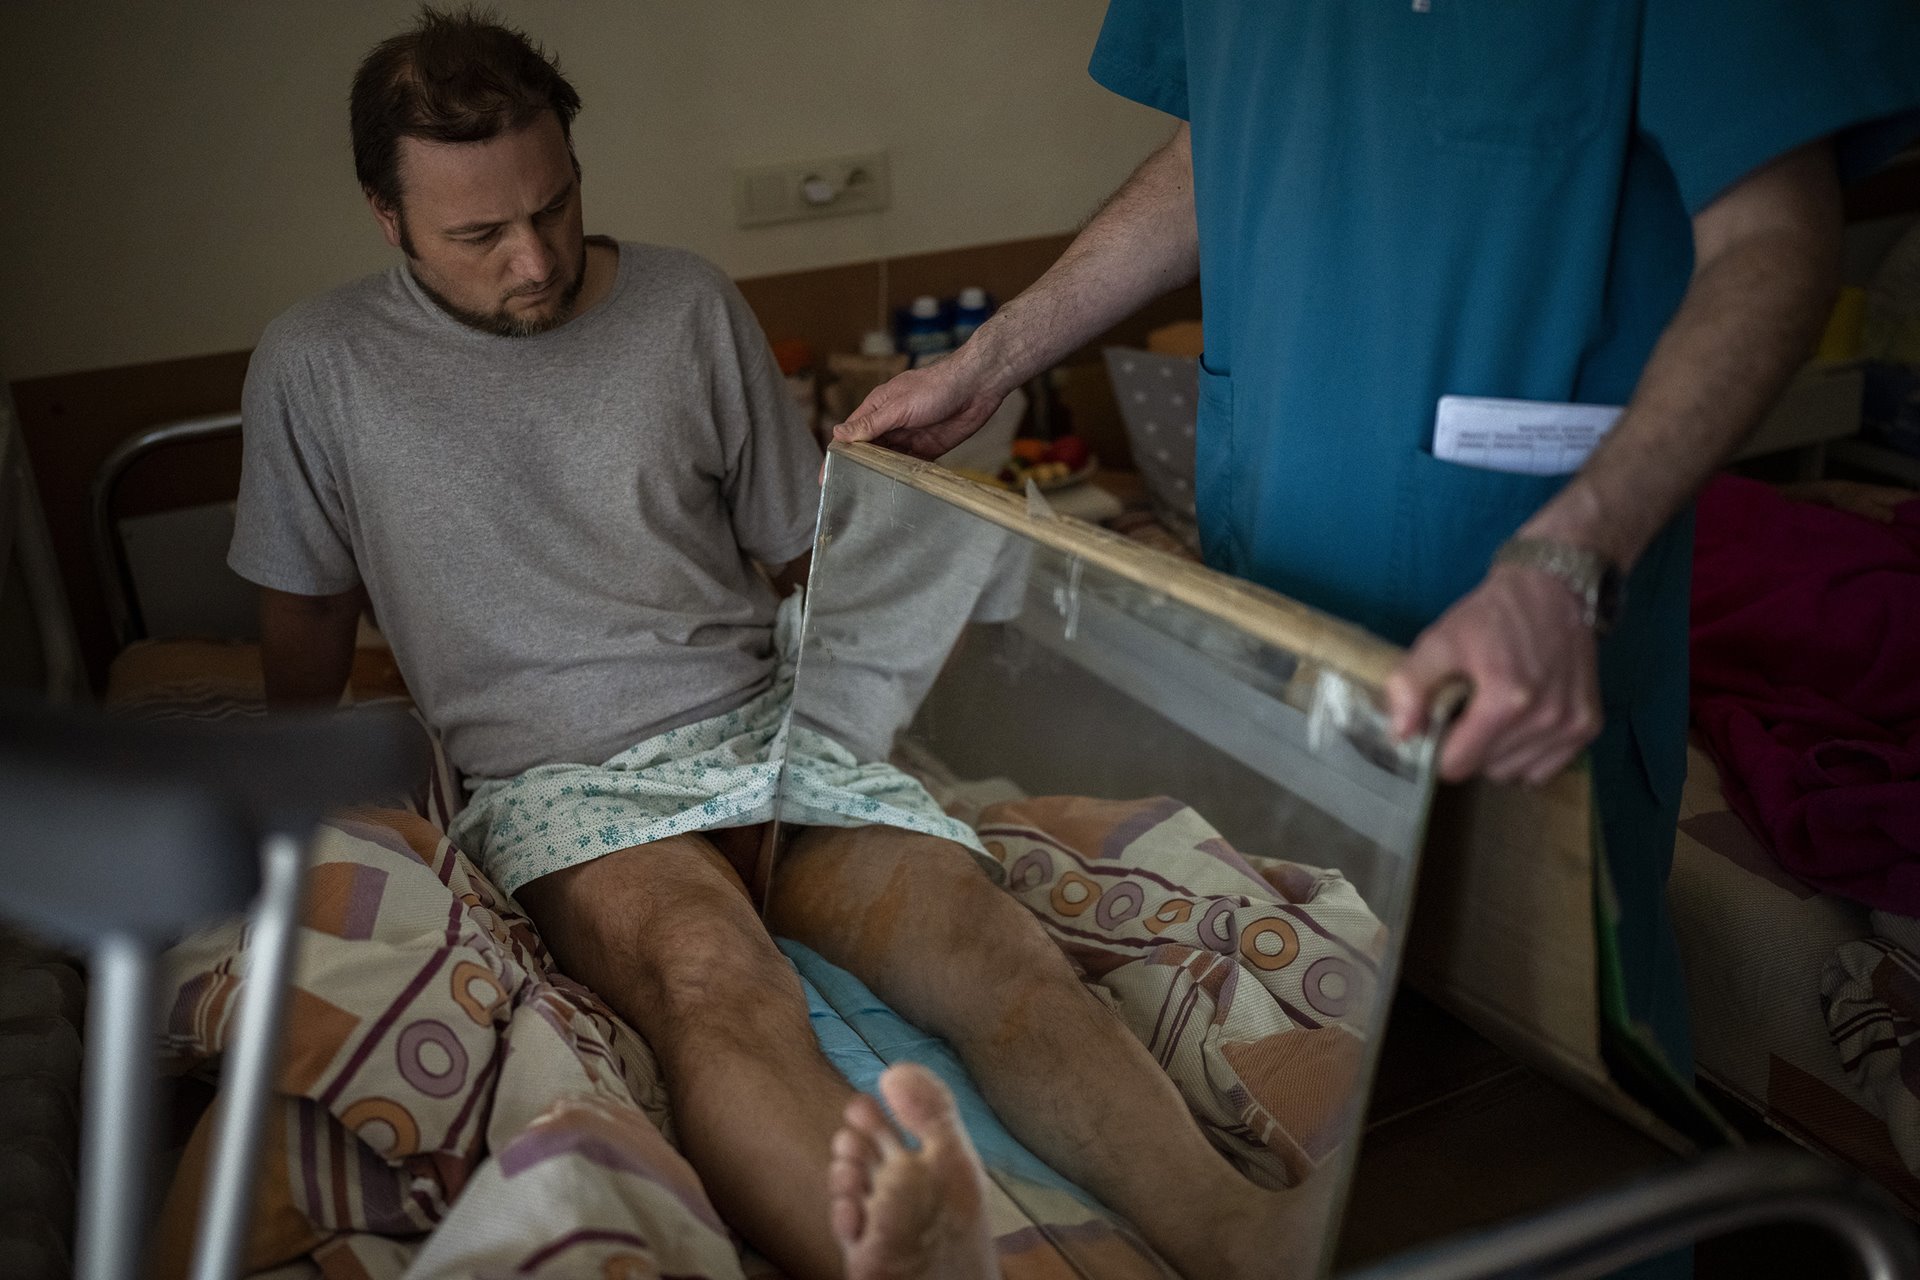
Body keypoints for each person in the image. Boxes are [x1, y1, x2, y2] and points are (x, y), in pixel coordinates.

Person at [229, 10, 1329, 1279]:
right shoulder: (318, 366)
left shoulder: (685, 304)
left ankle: (1232, 1229)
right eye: (479, 236)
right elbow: (308, 616)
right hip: (563, 783)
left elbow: (806, 553)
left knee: (989, 942)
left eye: (555, 206)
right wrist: (294, 816)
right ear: (387, 218)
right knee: (713, 981)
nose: (532, 258)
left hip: (766, 726)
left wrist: (935, 608)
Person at [837, 0, 1920, 1117]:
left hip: (1519, 584)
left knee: (1540, 1084)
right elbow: (1213, 156)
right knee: (1302, 1028)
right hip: (1270, 571)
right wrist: (988, 361)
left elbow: (1775, 240)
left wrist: (1570, 555)